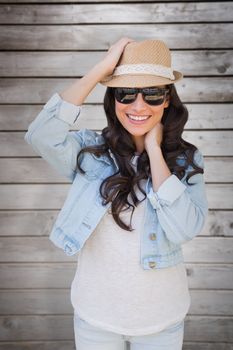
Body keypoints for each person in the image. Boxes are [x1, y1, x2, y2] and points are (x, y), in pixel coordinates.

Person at [24, 37, 209, 350]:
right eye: (126, 93)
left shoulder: (186, 160)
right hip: (96, 319)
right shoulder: (90, 152)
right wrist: (102, 69)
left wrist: (154, 151)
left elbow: (185, 229)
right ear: (112, 99)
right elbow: (41, 136)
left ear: (166, 100)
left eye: (151, 94)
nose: (138, 106)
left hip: (161, 321)